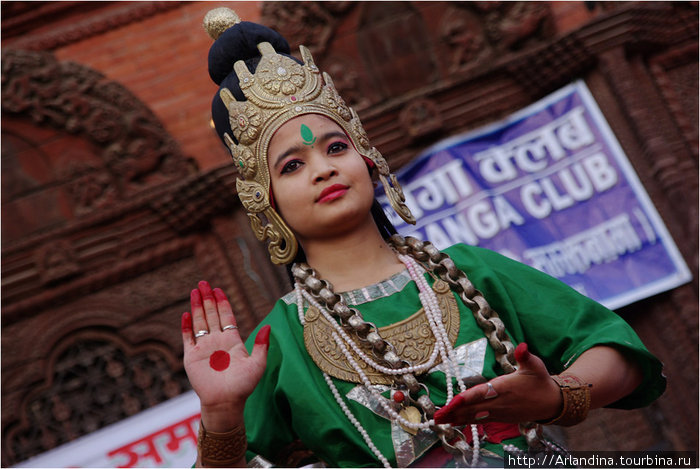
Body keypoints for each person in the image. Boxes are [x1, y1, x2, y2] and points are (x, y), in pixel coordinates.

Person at [180, 8, 666, 468]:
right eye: (292, 165)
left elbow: (618, 354)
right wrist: (221, 413)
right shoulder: (280, 341)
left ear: (368, 158)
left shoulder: (470, 272)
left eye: (336, 147)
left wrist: (558, 395)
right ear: (265, 200)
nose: (324, 167)